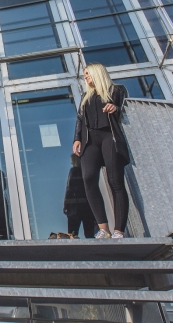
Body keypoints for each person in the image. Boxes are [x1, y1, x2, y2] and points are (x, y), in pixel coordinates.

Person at [72, 63, 130, 239]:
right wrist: (76, 138)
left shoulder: (117, 90)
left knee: (115, 181)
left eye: (88, 74)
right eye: (85, 75)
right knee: (88, 179)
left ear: (98, 73)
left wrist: (116, 108)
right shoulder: (85, 96)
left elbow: (126, 112)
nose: (86, 77)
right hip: (90, 140)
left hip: (109, 137)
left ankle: (119, 230)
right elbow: (80, 119)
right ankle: (104, 228)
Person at [63, 154, 97, 239]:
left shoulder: (74, 171)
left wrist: (66, 204)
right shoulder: (87, 171)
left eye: (72, 160)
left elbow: (69, 188)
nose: (71, 162)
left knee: (73, 233)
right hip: (87, 205)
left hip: (75, 205)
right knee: (89, 233)